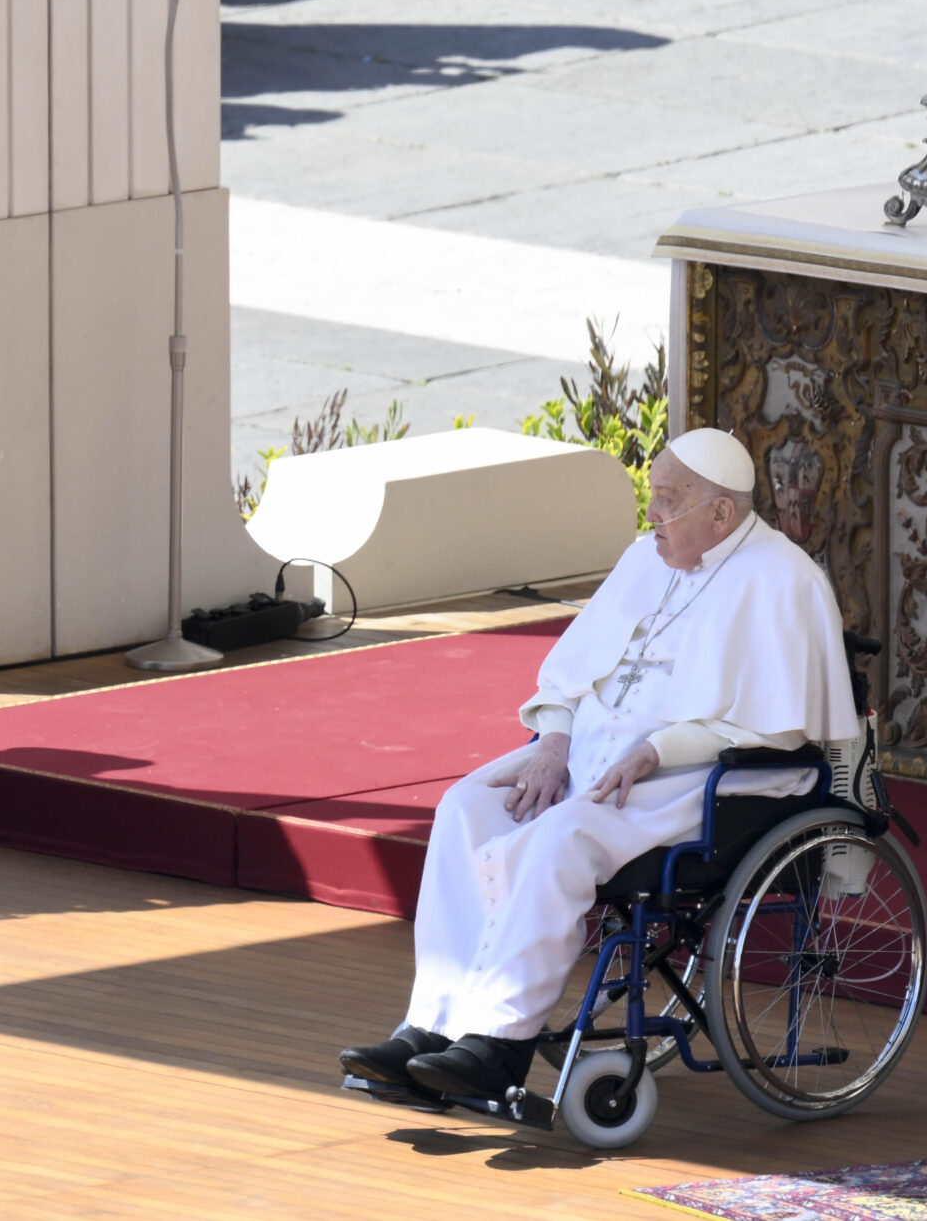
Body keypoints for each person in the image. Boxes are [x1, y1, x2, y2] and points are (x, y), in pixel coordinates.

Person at [336, 427, 858, 1105]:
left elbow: (774, 726)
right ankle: (430, 1026)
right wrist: (552, 740)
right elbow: (571, 676)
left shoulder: (783, 577)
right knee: (466, 806)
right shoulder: (647, 556)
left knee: (560, 839)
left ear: (721, 514)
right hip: (587, 759)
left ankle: (498, 1044)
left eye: (668, 502)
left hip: (700, 780)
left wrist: (655, 750)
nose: (652, 518)